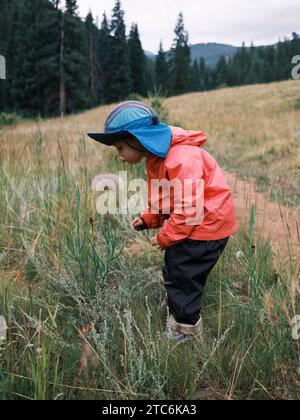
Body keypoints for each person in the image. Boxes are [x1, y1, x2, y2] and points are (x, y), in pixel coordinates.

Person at [87, 101, 238, 343]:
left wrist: (164, 237)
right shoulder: (157, 156)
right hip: (194, 226)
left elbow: (189, 210)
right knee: (177, 270)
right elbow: (167, 197)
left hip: (205, 228)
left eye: (120, 148)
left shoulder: (182, 157)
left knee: (183, 277)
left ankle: (185, 331)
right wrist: (149, 219)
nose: (121, 156)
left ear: (137, 140)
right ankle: (179, 313)